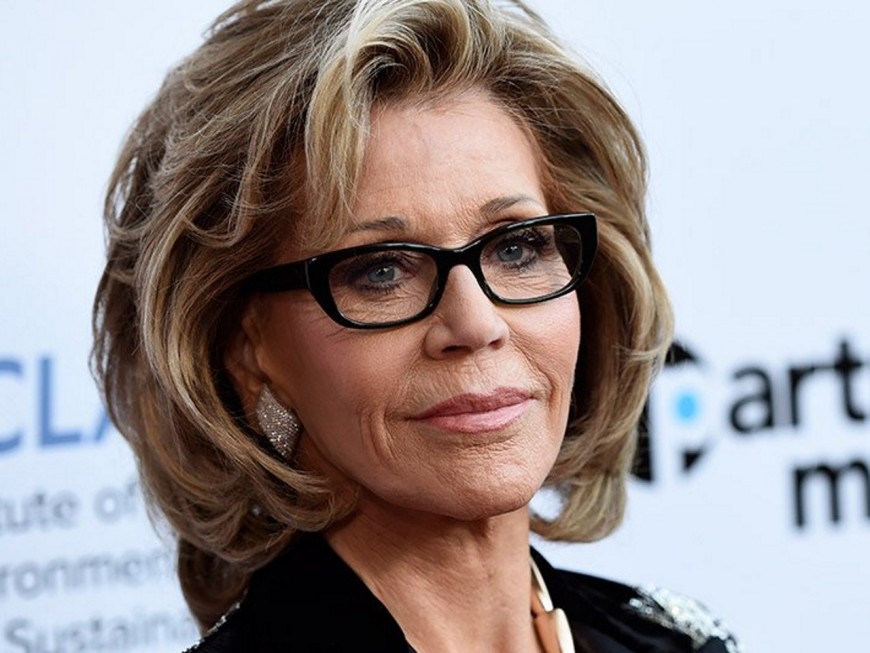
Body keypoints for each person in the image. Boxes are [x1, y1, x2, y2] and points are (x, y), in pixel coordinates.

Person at [92, 0, 740, 651]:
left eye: (516, 248)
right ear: (244, 346)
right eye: (381, 271)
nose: (475, 323)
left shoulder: (678, 642)